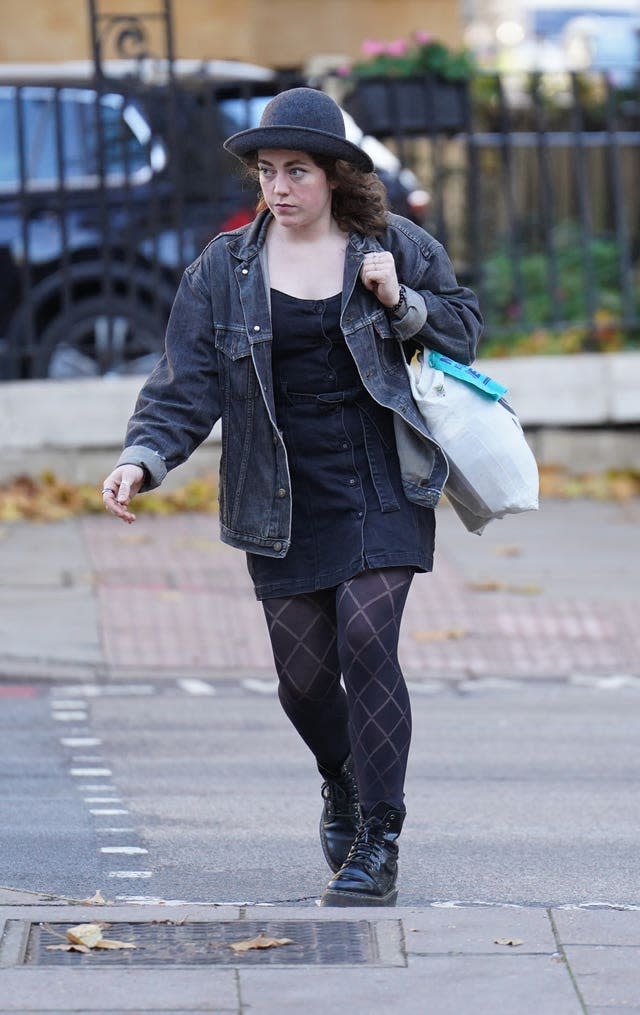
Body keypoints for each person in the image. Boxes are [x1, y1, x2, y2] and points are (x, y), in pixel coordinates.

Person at [102, 87, 482, 907]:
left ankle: (378, 838)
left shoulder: (391, 246)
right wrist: (143, 457)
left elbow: (464, 326)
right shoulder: (225, 269)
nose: (279, 187)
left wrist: (400, 301)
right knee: (305, 680)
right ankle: (341, 775)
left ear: (336, 175)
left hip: (383, 477)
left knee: (368, 639)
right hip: (280, 492)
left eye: (297, 171)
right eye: (268, 172)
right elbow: (185, 384)